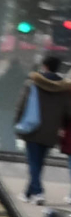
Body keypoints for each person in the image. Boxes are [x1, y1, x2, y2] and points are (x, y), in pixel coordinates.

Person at [16, 54, 71, 202]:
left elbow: (22, 104)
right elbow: (68, 111)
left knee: (34, 162)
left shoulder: (33, 82)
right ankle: (28, 193)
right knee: (38, 163)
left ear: (44, 66)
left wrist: (17, 121)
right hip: (51, 131)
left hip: (32, 128)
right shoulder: (64, 88)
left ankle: (38, 192)